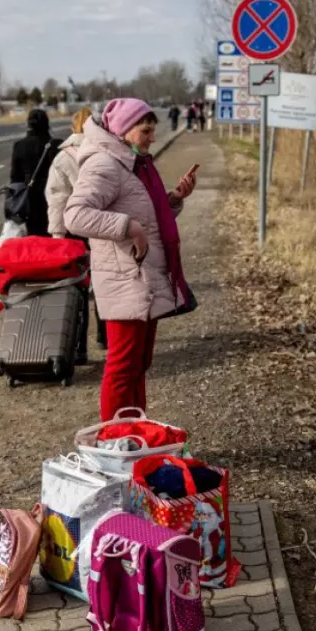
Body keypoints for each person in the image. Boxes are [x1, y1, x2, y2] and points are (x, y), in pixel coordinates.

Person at [64, 98, 198, 420]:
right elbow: (75, 215)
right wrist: (127, 227)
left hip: (144, 277)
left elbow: (148, 216)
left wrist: (174, 199)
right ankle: (115, 442)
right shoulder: (104, 165)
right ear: (124, 131)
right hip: (125, 279)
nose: (153, 137)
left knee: (140, 366)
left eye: (153, 130)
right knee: (123, 368)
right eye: (146, 131)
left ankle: (136, 435)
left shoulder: (134, 164)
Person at [45, 106, 107, 358]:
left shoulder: (63, 157)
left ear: (73, 127)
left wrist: (56, 234)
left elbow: (57, 198)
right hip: (102, 226)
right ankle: (105, 337)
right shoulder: (106, 151)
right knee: (104, 284)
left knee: (77, 288)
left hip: (73, 230)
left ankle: (78, 346)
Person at [9, 109, 62, 237]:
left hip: (29, 198)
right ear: (47, 124)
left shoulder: (19, 145)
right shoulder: (56, 145)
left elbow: (15, 178)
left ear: (28, 125)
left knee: (34, 236)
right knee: (53, 234)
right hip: (52, 196)